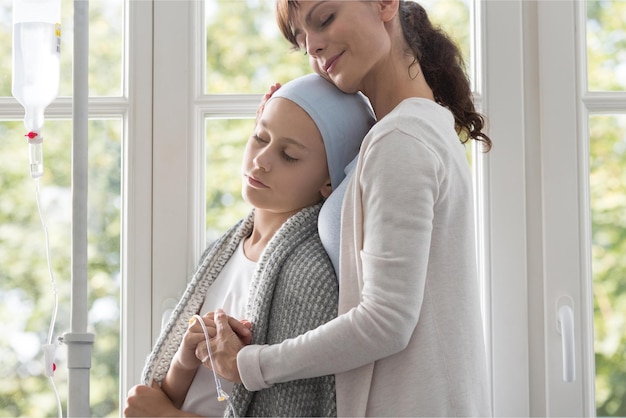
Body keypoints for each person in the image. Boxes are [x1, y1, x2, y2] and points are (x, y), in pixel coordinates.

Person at [207, 1, 493, 416]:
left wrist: (247, 364)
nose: (314, 49)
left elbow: (386, 322)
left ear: (384, 4)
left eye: (324, 19)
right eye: (302, 40)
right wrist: (280, 130)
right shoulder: (403, 131)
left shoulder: (401, 140)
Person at [123, 73, 375, 417]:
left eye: (288, 155)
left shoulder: (308, 278)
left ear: (330, 181)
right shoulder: (224, 250)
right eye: (260, 137)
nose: (262, 160)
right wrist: (184, 359)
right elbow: (178, 395)